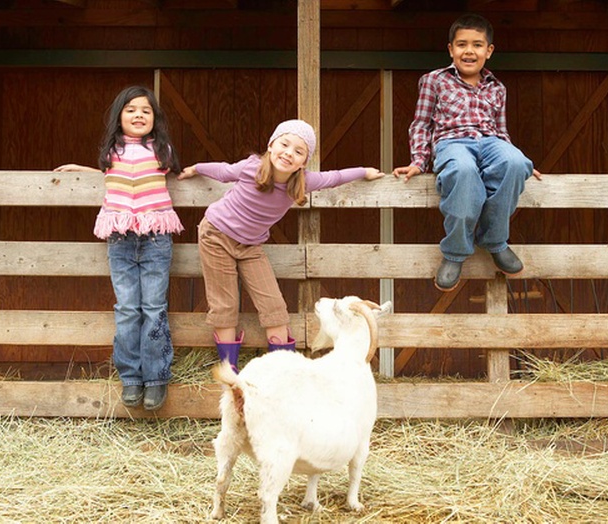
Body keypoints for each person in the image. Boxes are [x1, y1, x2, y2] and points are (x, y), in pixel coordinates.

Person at [177, 119, 384, 372]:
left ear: (304, 162)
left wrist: (364, 171)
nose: (289, 153)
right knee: (225, 303)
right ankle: (229, 372)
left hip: (250, 246)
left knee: (274, 306)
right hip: (216, 235)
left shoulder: (304, 181)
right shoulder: (251, 167)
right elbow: (223, 171)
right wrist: (196, 168)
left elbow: (335, 177)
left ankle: (284, 372)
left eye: (299, 151)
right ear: (271, 145)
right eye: (284, 144)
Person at [54, 85, 182, 411]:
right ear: (119, 116)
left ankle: (155, 378)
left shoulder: (162, 150)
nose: (138, 115)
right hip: (121, 241)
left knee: (154, 308)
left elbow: (180, 174)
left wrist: (207, 170)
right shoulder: (112, 152)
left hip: (155, 238)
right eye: (131, 110)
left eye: (145, 110)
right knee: (127, 309)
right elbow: (110, 174)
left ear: (155, 118)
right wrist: (79, 170)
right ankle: (131, 378)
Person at [393, 13, 541, 292]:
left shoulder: (498, 87)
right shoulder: (434, 80)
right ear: (451, 49)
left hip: (490, 141)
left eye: (477, 45)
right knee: (463, 170)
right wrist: (418, 160)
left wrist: (519, 162)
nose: (469, 51)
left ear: (489, 51)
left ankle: (495, 241)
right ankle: (455, 252)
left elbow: (501, 129)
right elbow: (421, 123)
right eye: (461, 44)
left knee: (516, 162)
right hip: (453, 142)